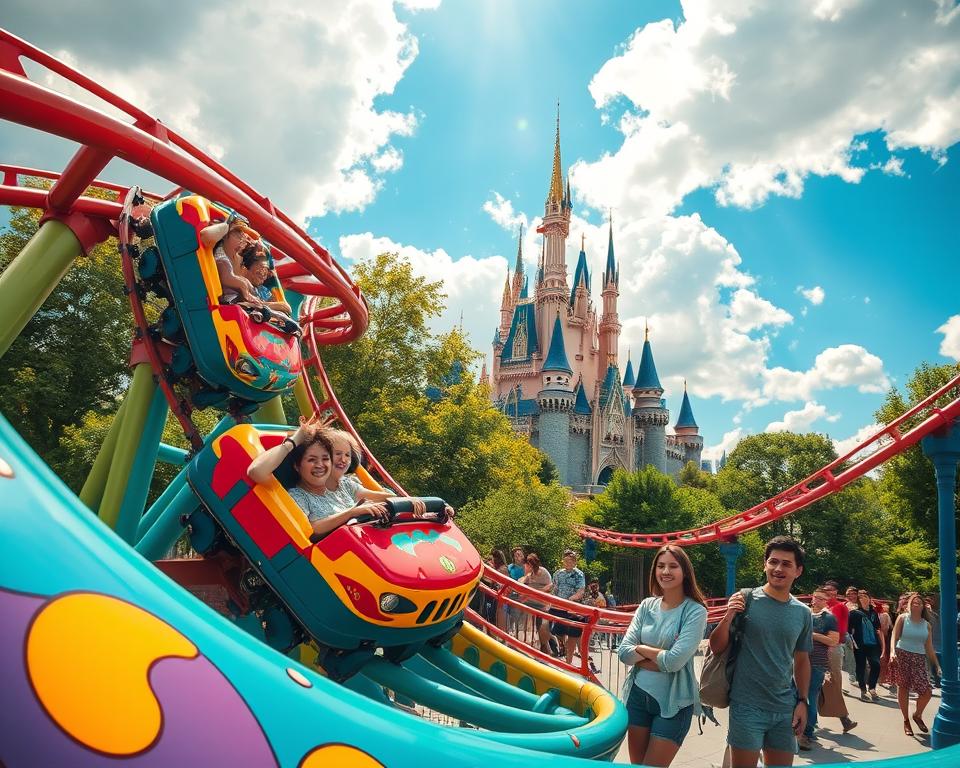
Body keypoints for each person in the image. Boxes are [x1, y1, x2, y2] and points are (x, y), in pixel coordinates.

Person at [710, 536, 812, 768]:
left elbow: (802, 659)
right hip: (746, 706)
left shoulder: (802, 613)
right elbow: (716, 647)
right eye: (773, 562)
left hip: (785, 707)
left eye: (786, 564)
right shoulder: (746, 599)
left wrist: (803, 701)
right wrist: (728, 616)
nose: (778, 568)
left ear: (798, 571)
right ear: (764, 565)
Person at [617, 546, 708, 767]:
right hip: (638, 696)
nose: (665, 571)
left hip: (674, 702)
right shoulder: (647, 606)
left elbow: (675, 662)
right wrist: (661, 657)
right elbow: (623, 653)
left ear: (685, 571)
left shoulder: (695, 611)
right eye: (661, 566)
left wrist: (642, 648)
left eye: (673, 566)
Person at [246, 415, 391, 537]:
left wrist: (407, 500)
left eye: (325, 459)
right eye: (311, 460)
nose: (320, 465)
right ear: (297, 466)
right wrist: (293, 441)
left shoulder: (342, 486)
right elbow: (312, 529)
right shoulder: (299, 496)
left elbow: (374, 496)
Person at [890, 592, 941, 736]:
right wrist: (892, 652)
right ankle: (906, 720)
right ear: (909, 605)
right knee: (903, 687)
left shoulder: (927, 625)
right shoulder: (902, 618)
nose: (916, 604)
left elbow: (929, 648)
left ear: (923, 606)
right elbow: (894, 636)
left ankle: (917, 715)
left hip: (919, 658)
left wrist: (937, 665)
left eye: (919, 602)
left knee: (927, 691)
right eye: (913, 602)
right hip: (902, 654)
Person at [799, 589, 839, 750]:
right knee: (797, 695)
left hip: (817, 662)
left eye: (821, 598)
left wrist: (812, 635)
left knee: (810, 696)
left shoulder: (828, 618)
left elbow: (833, 641)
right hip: (799, 660)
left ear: (826, 601)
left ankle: (807, 732)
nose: (816, 600)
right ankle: (798, 730)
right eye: (815, 597)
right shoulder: (804, 613)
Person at [819, 581, 857, 733]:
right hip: (817, 648)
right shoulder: (819, 607)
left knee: (833, 682)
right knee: (814, 682)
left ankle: (844, 717)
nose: (830, 593)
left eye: (833, 591)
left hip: (832, 648)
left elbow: (841, 631)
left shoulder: (840, 607)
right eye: (827, 591)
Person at [199, 216, 262, 305]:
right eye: (237, 235)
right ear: (224, 235)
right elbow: (205, 235)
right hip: (219, 303)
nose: (242, 239)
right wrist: (229, 225)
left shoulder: (238, 259)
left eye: (242, 236)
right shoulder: (221, 257)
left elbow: (257, 242)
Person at [544, 549, 586, 664]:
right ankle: (561, 647)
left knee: (574, 636)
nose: (568, 563)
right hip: (558, 606)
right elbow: (554, 587)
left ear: (574, 562)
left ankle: (571, 661)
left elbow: (581, 591)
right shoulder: (558, 573)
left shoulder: (578, 574)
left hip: (572, 608)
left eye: (570, 560)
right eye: (566, 560)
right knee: (551, 627)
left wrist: (570, 600)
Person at [849, 589, 884, 701]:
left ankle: (872, 687)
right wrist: (852, 643)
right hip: (859, 644)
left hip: (873, 643)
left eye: (865, 597)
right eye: (861, 597)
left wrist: (883, 646)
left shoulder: (874, 613)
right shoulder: (854, 613)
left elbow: (878, 628)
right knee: (861, 666)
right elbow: (849, 629)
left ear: (869, 599)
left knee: (876, 665)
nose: (863, 599)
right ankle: (863, 690)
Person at [518, 553, 552, 651]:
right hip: (532, 602)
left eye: (530, 564)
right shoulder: (529, 575)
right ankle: (542, 646)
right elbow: (521, 583)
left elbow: (550, 586)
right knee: (534, 624)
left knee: (541, 625)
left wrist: (536, 592)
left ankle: (546, 646)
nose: (528, 566)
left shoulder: (544, 572)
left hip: (542, 603)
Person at [506, 547, 526, 635]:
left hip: (523, 595)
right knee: (510, 615)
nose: (518, 557)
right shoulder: (510, 567)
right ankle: (510, 632)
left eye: (520, 554)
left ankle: (517, 634)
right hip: (511, 593)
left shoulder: (527, 567)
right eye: (516, 555)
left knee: (519, 616)